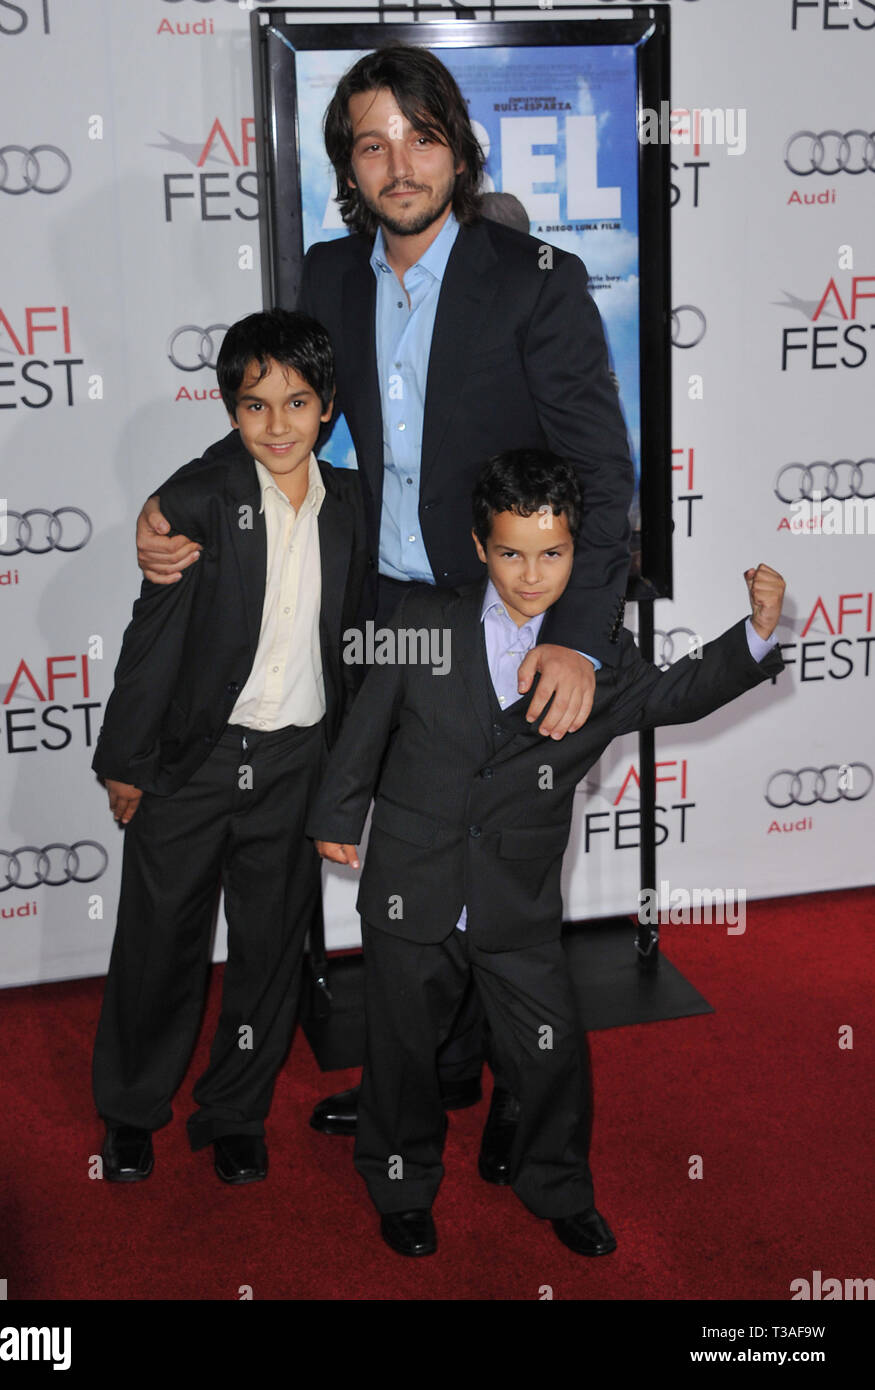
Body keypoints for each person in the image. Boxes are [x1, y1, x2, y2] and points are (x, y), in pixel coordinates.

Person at [134, 43, 635, 1161]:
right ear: (346, 169)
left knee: (502, 891)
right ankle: (435, 1076)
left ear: (457, 150)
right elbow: (279, 422)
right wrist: (169, 506)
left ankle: (516, 1095)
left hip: (509, 624)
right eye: (371, 142)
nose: (397, 162)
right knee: (408, 884)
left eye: (419, 137)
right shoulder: (325, 276)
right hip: (391, 620)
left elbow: (604, 478)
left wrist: (582, 644)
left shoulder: (535, 278)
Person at [307, 449, 786, 1257]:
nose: (531, 575)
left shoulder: (598, 655)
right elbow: (368, 722)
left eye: (552, 553)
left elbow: (677, 694)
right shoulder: (422, 620)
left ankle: (556, 1186)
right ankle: (400, 1184)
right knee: (400, 1052)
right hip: (409, 884)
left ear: (577, 551)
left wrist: (754, 636)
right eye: (511, 553)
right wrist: (337, 809)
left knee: (551, 1052)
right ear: (478, 545)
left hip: (514, 897)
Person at [91, 310, 368, 1184]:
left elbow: (357, 642)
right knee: (157, 941)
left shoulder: (352, 506)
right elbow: (154, 636)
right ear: (229, 410)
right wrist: (127, 762)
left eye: (296, 403)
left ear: (327, 407)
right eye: (254, 406)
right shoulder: (200, 497)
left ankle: (236, 1110)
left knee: (268, 945)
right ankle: (133, 1108)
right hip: (194, 761)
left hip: (295, 762)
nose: (277, 426)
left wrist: (351, 776)